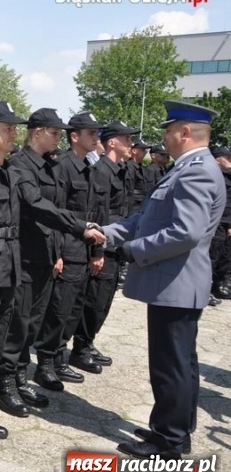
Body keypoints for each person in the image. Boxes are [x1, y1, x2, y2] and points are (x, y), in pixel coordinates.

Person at [0, 101, 105, 447]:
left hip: (7, 272)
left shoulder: (8, 172)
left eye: (14, 128)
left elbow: (41, 207)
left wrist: (80, 227)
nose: (13, 132)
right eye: (7, 127)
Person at [105, 101, 224, 459]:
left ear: (184, 133)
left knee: (170, 365)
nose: (165, 138)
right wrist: (108, 233)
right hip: (176, 283)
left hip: (176, 284)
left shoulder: (196, 171)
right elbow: (147, 217)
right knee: (180, 363)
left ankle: (169, 441)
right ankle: (173, 428)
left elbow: (184, 233)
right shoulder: (187, 168)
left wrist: (132, 250)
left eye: (168, 131)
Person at [0, 108, 92, 416]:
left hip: (45, 256)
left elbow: (57, 208)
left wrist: (59, 252)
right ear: (37, 132)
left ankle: (21, 378)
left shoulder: (49, 166)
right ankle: (5, 385)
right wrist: (79, 226)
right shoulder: (21, 165)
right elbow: (37, 206)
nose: (59, 137)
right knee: (18, 324)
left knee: (32, 325)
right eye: (55, 132)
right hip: (23, 256)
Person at [34, 112, 107, 392]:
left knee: (73, 310)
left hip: (84, 250)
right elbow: (56, 214)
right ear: (74, 136)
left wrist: (97, 251)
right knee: (57, 311)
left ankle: (60, 359)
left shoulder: (89, 167)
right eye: (91, 133)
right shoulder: (61, 166)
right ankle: (45, 365)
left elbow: (94, 213)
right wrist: (58, 253)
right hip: (66, 250)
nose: (96, 138)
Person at [73, 121, 140, 375]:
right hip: (103, 245)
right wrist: (97, 251)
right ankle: (80, 347)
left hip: (116, 244)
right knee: (94, 300)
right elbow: (97, 213)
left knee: (104, 300)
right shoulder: (100, 171)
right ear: (112, 142)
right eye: (126, 139)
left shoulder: (121, 170)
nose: (131, 144)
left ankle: (88, 343)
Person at [210, 145, 231, 300]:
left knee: (224, 256)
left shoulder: (229, 177)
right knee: (211, 256)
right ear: (218, 159)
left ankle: (219, 285)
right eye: (227, 157)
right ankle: (205, 289)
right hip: (214, 222)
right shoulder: (211, 176)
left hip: (226, 222)